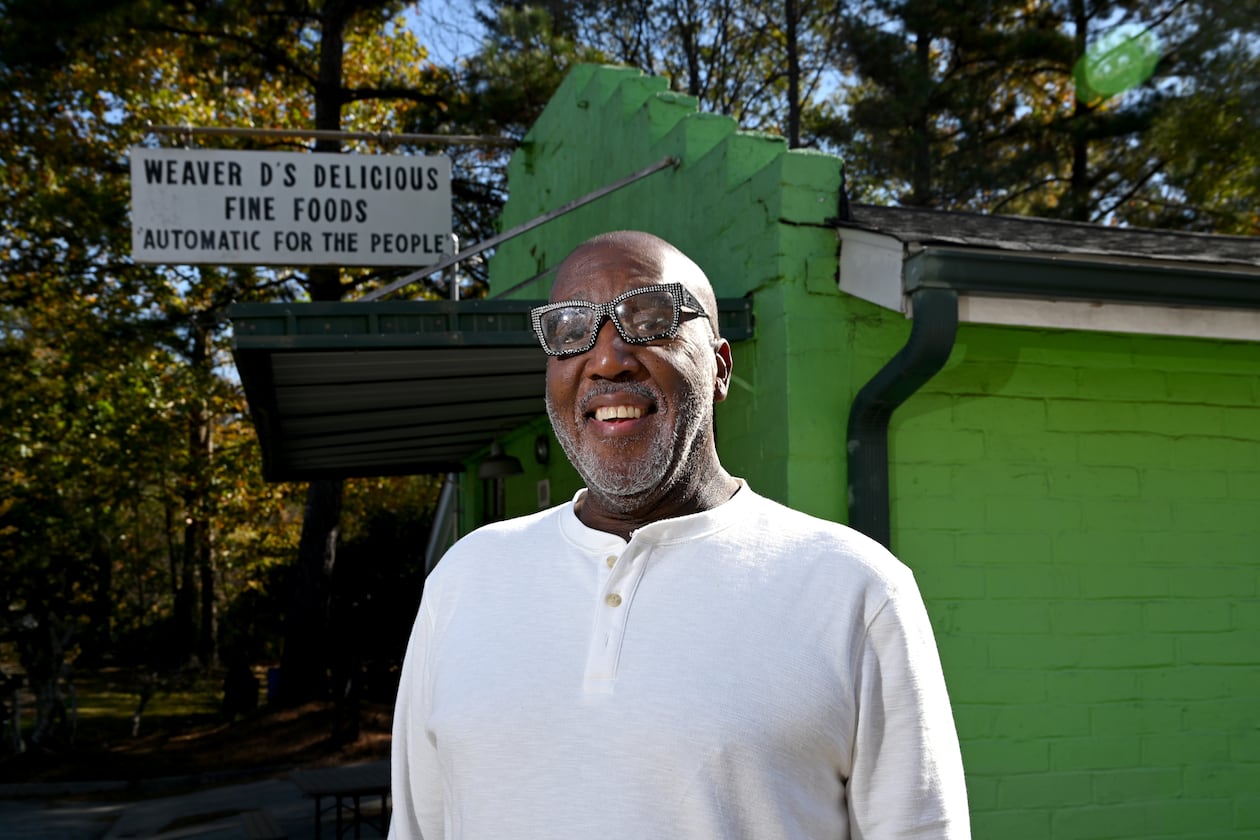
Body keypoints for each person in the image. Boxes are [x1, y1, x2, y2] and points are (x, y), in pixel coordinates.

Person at [389, 231, 970, 839]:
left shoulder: (854, 589)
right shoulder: (466, 578)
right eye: (569, 330)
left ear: (719, 367)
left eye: (650, 319)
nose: (607, 358)